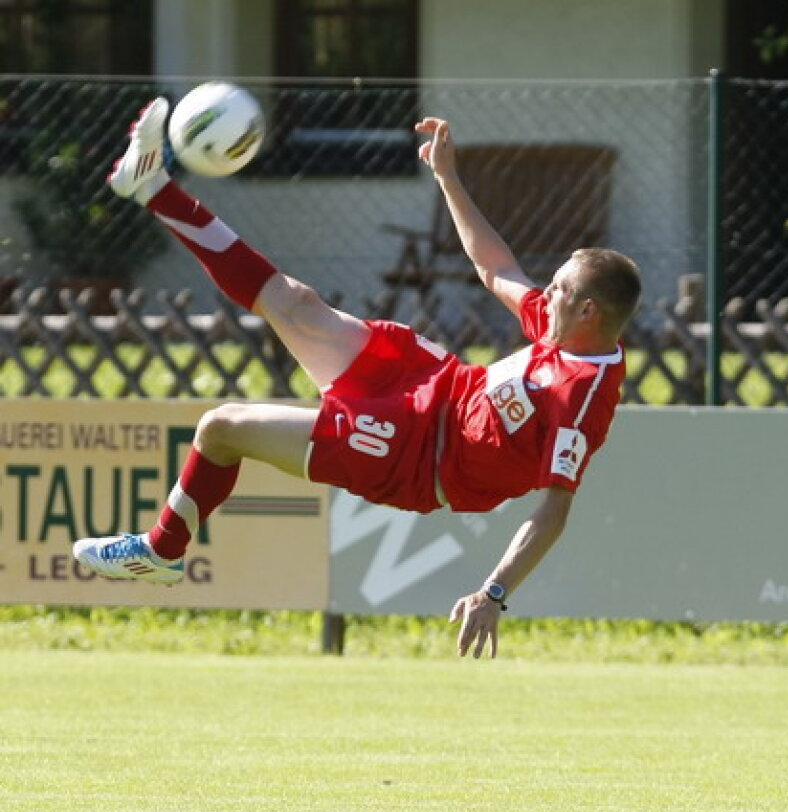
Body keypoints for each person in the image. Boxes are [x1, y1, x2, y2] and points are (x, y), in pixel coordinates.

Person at [72, 100, 641, 659]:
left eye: (562, 288)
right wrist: (448, 178)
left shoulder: (581, 399)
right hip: (429, 381)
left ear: (590, 311)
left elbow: (554, 511)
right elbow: (496, 269)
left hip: (415, 459)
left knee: (222, 426)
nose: (549, 292)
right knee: (294, 302)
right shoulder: (561, 322)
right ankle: (151, 185)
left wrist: (494, 592)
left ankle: (160, 550)